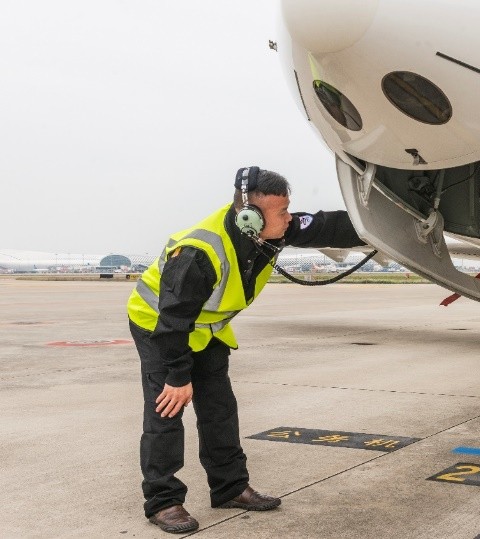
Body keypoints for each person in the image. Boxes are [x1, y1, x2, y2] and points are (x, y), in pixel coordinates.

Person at [127, 167, 364, 534]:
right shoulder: (197, 253)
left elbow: (325, 225)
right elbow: (172, 321)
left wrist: (386, 223)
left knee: (219, 407)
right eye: (282, 213)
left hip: (205, 328)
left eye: (288, 211)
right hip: (159, 326)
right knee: (167, 412)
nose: (289, 220)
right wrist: (177, 377)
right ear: (250, 216)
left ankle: (230, 488)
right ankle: (163, 501)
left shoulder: (271, 230)